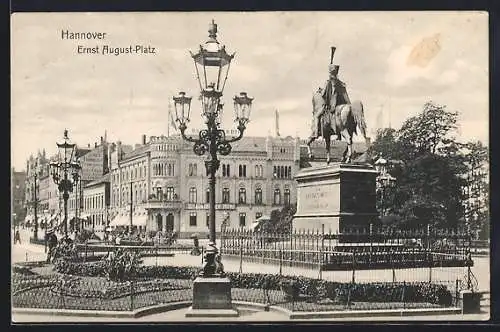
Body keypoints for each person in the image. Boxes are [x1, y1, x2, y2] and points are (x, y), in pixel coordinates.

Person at [310, 64, 351, 141]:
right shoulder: (341, 83)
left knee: (316, 116)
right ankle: (338, 135)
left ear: (330, 72)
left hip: (331, 106)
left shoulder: (328, 82)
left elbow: (323, 94)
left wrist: (320, 91)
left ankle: (315, 132)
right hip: (340, 105)